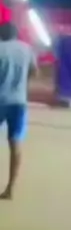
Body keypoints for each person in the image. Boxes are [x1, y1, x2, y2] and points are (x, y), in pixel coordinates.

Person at [0, 22, 37, 200]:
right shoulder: (27, 49)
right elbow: (34, 72)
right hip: (19, 101)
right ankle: (10, 188)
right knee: (15, 143)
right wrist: (22, 83)